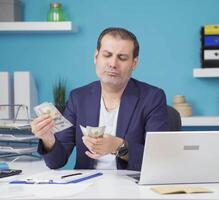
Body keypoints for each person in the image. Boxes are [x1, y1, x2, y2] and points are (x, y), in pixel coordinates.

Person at [31, 27, 168, 171]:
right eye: (107, 55)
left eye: (122, 58)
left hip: (130, 187)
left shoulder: (152, 98)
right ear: (96, 57)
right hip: (87, 187)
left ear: (134, 63)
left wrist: (118, 146)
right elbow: (56, 162)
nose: (113, 64)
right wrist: (48, 139)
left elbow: (157, 158)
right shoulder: (78, 98)